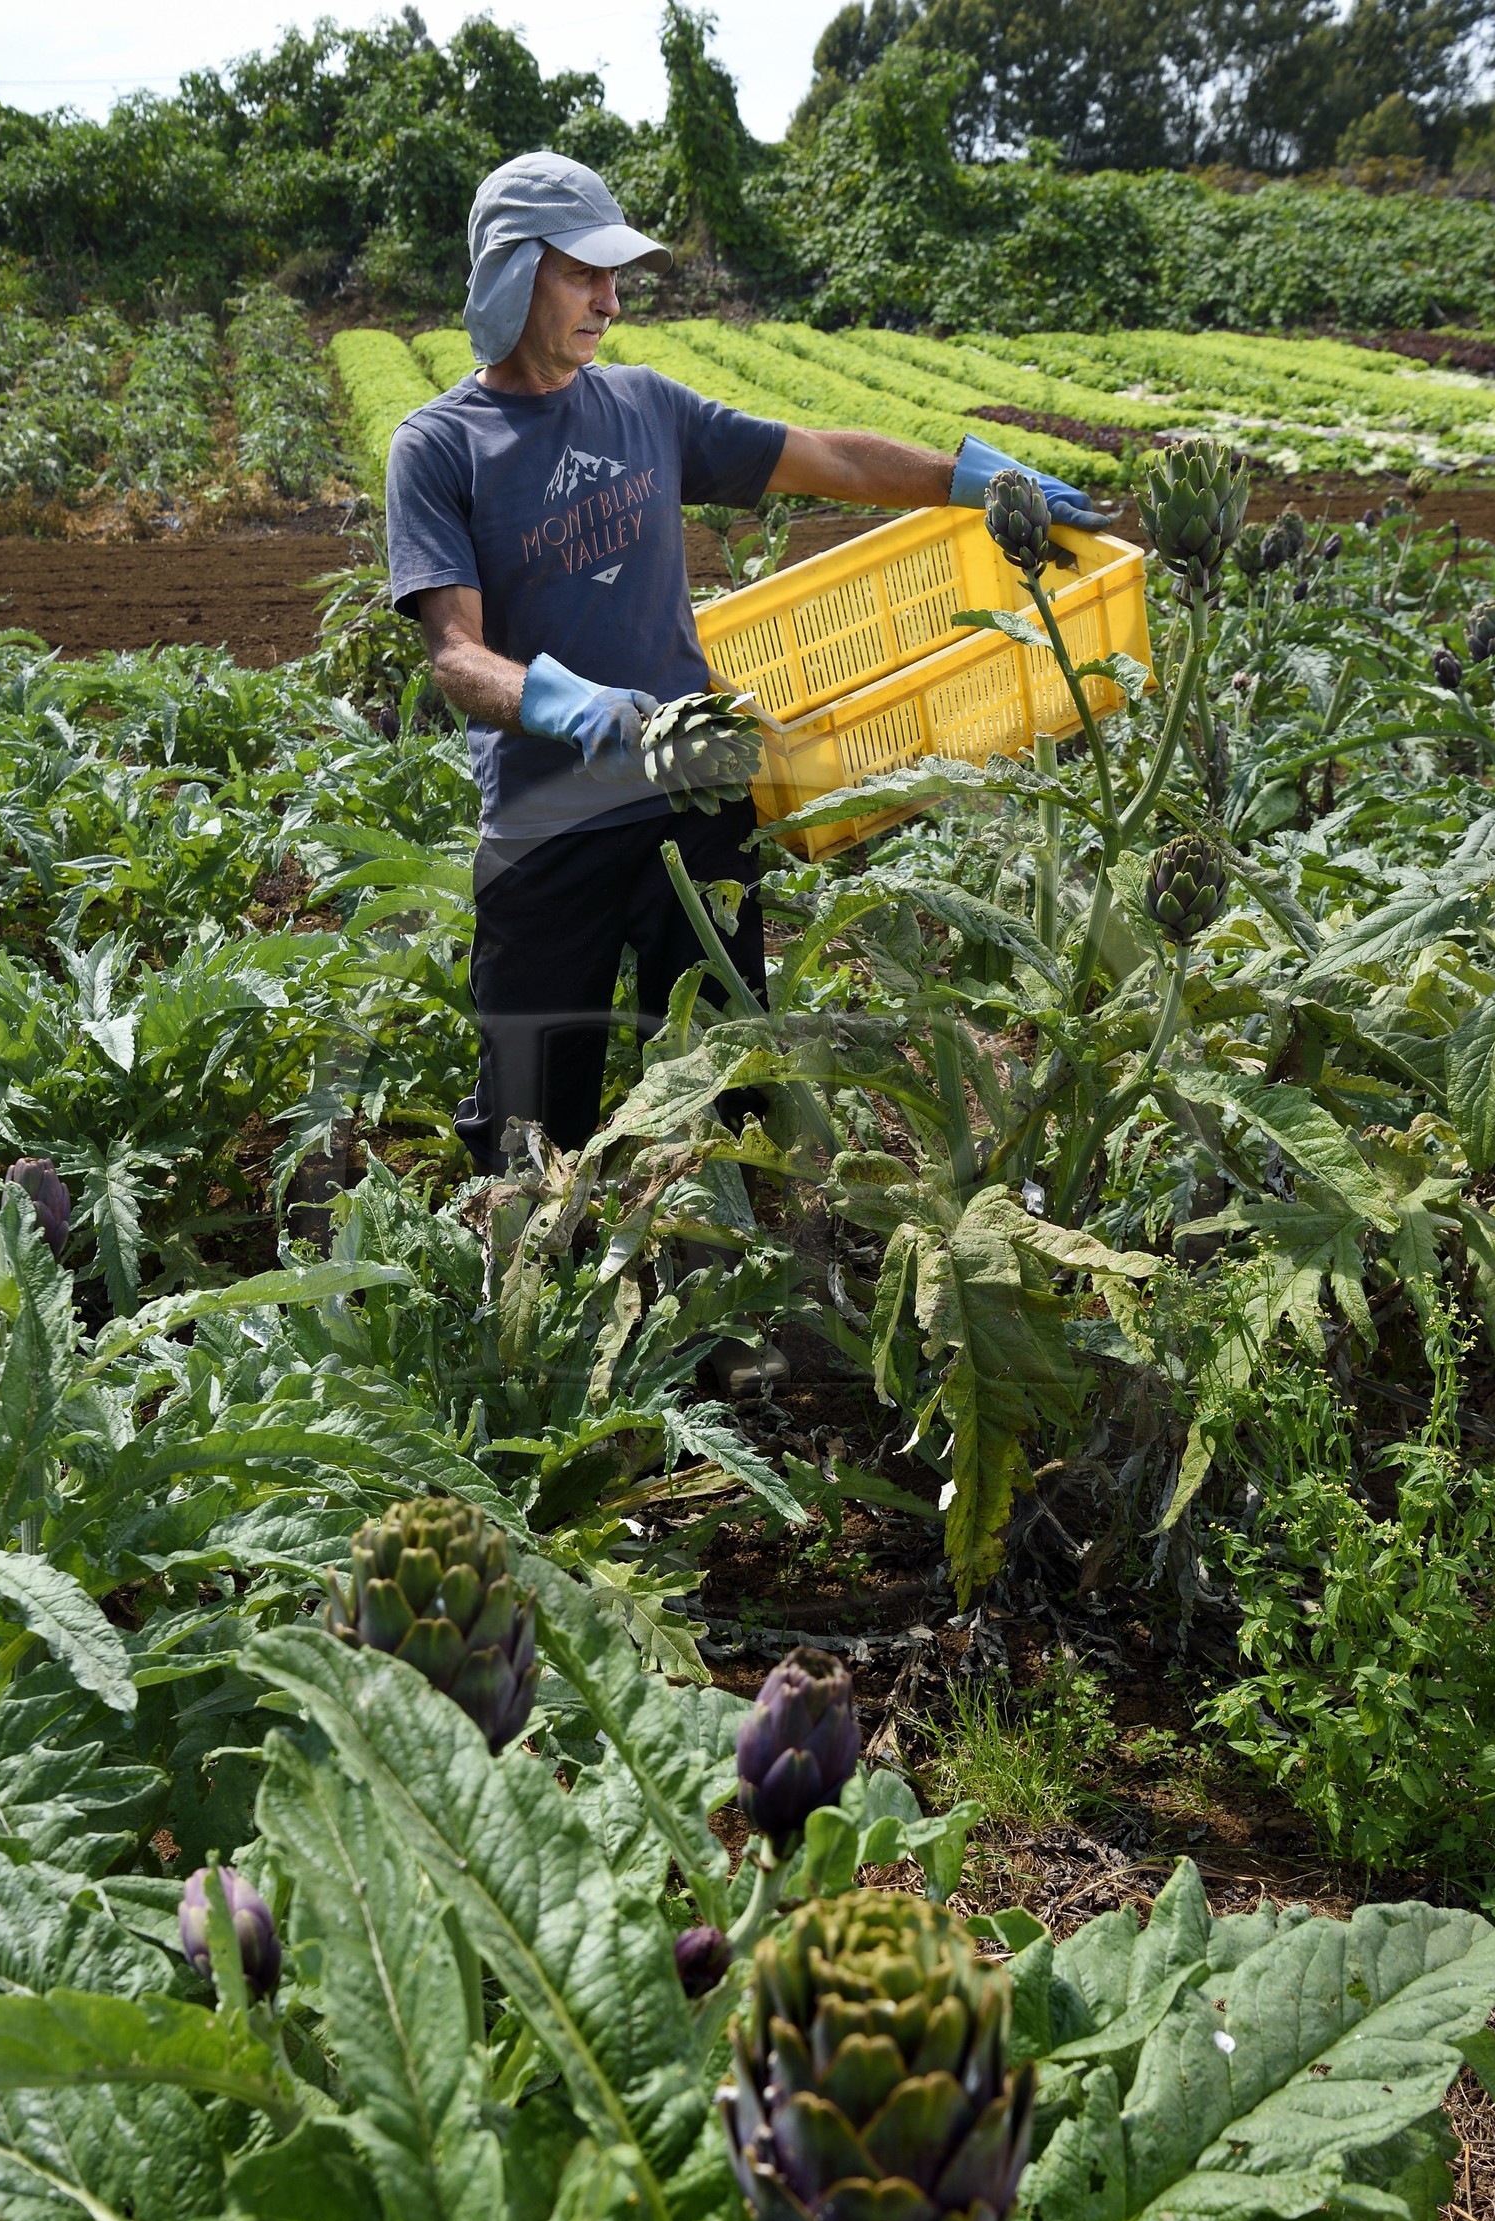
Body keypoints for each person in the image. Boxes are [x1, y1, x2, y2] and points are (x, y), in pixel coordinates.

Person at [385, 150, 1110, 1384]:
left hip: (693, 793)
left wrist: (968, 480)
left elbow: (825, 457)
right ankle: (525, 1365)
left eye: (618, 279)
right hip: (550, 821)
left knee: (728, 1082)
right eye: (585, 275)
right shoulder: (441, 446)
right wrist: (578, 708)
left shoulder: (647, 408)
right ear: (513, 277)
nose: (611, 303)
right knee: (526, 1115)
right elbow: (457, 656)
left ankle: (725, 1330)